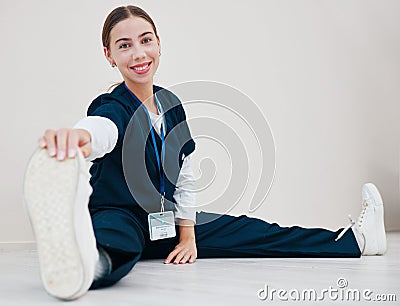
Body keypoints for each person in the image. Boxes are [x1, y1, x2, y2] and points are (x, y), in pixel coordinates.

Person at [23, 5, 387, 301]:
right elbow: (102, 130)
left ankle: (358, 239)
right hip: (118, 214)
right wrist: (77, 138)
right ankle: (90, 264)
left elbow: (186, 174)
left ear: (159, 44)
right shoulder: (111, 106)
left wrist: (188, 235)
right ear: (109, 55)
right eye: (124, 45)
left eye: (145, 40)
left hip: (164, 223)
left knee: (251, 231)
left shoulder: (172, 104)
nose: (138, 53)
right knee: (116, 237)